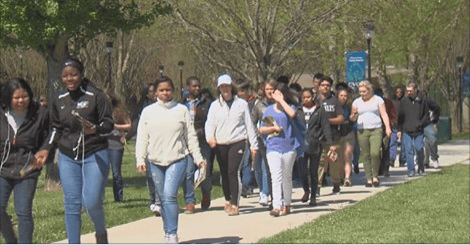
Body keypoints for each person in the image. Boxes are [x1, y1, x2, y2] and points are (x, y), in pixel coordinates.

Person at [47, 57, 114, 243]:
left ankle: (100, 231)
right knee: (72, 204)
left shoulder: (96, 96)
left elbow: (108, 124)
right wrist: (46, 149)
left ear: (82, 75)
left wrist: (95, 129)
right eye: (65, 76)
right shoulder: (59, 99)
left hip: (94, 152)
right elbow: (55, 128)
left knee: (91, 202)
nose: (70, 79)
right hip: (68, 156)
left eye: (74, 75)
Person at [135, 76, 206, 243]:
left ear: (173, 91)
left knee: (169, 196)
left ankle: (173, 234)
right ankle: (167, 231)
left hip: (177, 159)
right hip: (155, 161)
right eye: (161, 90)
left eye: (168, 89)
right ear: (155, 93)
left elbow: (190, 136)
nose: (165, 93)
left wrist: (198, 158)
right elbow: (142, 138)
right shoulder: (148, 112)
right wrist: (140, 159)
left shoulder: (181, 110)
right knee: (162, 198)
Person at [0, 78, 50, 244]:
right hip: (2, 169)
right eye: (16, 98)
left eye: (25, 96)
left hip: (27, 169)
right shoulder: (2, 113)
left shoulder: (40, 113)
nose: (21, 101)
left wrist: (45, 148)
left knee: (23, 212)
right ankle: (12, 241)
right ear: (8, 98)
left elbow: (51, 133)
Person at [205, 74, 258, 216]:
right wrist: (210, 138)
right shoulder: (214, 106)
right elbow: (209, 124)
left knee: (232, 171)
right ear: (219, 88)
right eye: (222, 86)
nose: (225, 89)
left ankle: (235, 203)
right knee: (224, 173)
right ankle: (227, 199)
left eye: (227, 86)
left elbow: (249, 125)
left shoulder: (241, 104)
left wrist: (253, 145)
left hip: (238, 142)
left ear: (231, 87)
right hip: (220, 143)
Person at [259, 83, 305, 216]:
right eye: (274, 92)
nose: (275, 95)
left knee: (286, 176)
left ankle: (287, 204)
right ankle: (276, 206)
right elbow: (262, 128)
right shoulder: (268, 110)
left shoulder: (289, 107)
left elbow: (293, 114)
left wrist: (281, 101)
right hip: (273, 147)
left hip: (289, 147)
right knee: (276, 176)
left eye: (278, 92)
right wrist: (273, 129)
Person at [181, 76, 215, 212]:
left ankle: (206, 193)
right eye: (194, 86)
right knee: (188, 172)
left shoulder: (207, 103)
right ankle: (190, 201)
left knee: (204, 171)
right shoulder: (181, 105)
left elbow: (211, 121)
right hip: (186, 143)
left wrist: (202, 131)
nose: (196, 88)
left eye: (198, 86)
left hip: (203, 142)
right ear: (188, 87)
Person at [350, 81, 392, 187]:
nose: (362, 94)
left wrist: (387, 127)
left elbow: (384, 114)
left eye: (364, 91)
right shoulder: (356, 102)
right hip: (362, 130)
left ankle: (375, 176)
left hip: (376, 129)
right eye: (360, 92)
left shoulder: (378, 100)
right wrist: (354, 115)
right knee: (366, 155)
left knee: (375, 153)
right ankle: (369, 178)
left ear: (369, 90)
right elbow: (352, 118)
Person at [317, 76, 344, 195]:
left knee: (333, 162)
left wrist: (327, 121)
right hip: (318, 137)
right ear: (318, 86)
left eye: (328, 85)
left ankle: (336, 183)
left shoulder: (335, 101)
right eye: (323, 85)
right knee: (320, 162)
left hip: (333, 137)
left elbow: (341, 118)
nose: (325, 87)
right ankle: (316, 186)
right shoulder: (314, 101)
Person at [397, 82, 429, 177]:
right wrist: (399, 129)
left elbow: (426, 114)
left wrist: (421, 123)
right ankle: (411, 170)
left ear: (415, 90)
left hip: (418, 130)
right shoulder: (404, 101)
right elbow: (400, 115)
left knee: (419, 149)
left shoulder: (422, 100)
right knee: (408, 150)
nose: (409, 92)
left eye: (410, 91)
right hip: (407, 130)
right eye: (407, 91)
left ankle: (420, 166)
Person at [251, 81, 275, 206]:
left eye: (272, 88)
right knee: (257, 167)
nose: (270, 91)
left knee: (267, 167)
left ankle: (266, 193)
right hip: (259, 139)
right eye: (267, 89)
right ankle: (262, 190)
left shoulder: (279, 104)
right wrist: (255, 134)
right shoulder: (259, 105)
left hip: (273, 140)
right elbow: (252, 121)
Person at [233, 79, 257, 198]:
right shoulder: (234, 104)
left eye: (242, 91)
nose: (240, 94)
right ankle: (240, 185)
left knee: (247, 162)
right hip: (237, 136)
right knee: (239, 163)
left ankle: (246, 186)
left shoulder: (253, 103)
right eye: (238, 91)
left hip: (249, 136)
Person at [107, 94, 132, 203]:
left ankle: (118, 198)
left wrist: (115, 126)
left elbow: (129, 125)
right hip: (100, 144)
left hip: (115, 145)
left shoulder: (119, 112)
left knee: (116, 172)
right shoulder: (99, 111)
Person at [336, 84, 355, 186]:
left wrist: (352, 119)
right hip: (337, 135)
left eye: (345, 96)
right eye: (342, 95)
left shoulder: (349, 107)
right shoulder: (334, 106)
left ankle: (347, 178)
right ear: (338, 96)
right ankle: (340, 177)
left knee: (347, 157)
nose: (344, 98)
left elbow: (352, 120)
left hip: (348, 133)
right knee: (339, 158)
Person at [389, 86, 406, 167]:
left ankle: (402, 160)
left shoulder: (405, 102)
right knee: (393, 142)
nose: (399, 94)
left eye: (400, 92)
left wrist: (402, 128)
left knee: (404, 144)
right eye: (397, 92)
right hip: (394, 125)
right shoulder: (392, 102)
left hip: (403, 124)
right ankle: (392, 159)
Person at [423, 96, 441, 169]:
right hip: (417, 124)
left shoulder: (427, 101)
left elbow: (436, 108)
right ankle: (424, 161)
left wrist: (434, 119)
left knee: (432, 140)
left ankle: (434, 158)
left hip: (428, 123)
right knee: (423, 143)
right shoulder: (410, 101)